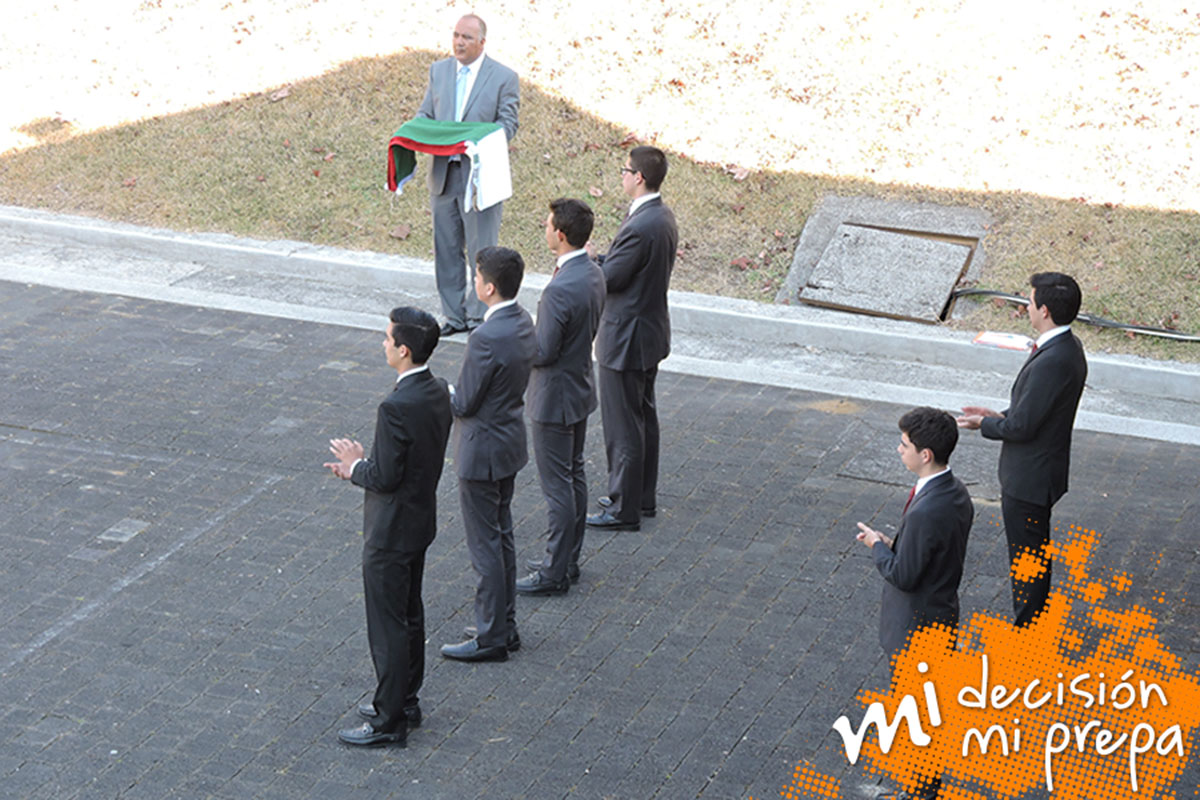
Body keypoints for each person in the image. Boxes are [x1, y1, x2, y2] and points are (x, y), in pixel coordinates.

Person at [323, 307, 452, 747]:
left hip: (390, 531)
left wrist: (355, 465)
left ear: (404, 349)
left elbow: (384, 477)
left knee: (388, 626)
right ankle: (405, 699)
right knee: (410, 614)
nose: (382, 344)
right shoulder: (437, 390)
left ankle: (388, 719)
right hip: (419, 522)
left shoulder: (395, 406)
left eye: (386, 338)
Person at [855, 407, 974, 800]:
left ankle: (921, 791)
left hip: (916, 629)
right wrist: (897, 546)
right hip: (940, 616)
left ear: (925, 454)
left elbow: (904, 576)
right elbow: (929, 555)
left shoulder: (927, 509)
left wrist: (877, 547)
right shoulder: (954, 492)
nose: (899, 450)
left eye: (905, 445)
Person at [957, 272, 1087, 628]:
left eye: (1029, 302)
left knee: (1028, 561)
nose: (1026, 307)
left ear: (1044, 310)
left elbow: (1023, 427)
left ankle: (1030, 633)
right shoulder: (1066, 348)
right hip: (1039, 473)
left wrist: (984, 424)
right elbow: (1034, 412)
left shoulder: (1052, 359)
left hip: (1029, 480)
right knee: (1032, 557)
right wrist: (999, 415)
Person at [442, 246, 536, 662]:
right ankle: (504, 623)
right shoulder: (523, 321)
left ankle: (490, 635)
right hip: (509, 442)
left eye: (477, 276)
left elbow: (464, 401)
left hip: (481, 450)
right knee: (503, 535)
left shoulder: (484, 338)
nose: (473, 282)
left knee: (485, 546)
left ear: (489, 287)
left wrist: (442, 391)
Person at [586, 146, 678, 532]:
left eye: (625, 170)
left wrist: (588, 263)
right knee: (643, 418)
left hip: (626, 337)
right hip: (649, 332)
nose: (622, 176)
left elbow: (612, 280)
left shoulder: (640, 225)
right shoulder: (662, 217)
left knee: (623, 424)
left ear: (638, 177)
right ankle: (642, 496)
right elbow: (630, 268)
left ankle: (623, 507)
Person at [517, 199, 606, 595]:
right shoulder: (592, 273)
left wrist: (516, 346)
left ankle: (554, 571)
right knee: (574, 475)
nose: (545, 226)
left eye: (549, 223)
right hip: (580, 387)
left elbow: (544, 350)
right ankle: (568, 560)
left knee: (557, 486)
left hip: (554, 397)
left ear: (562, 235)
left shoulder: (558, 291)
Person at [417, 14, 520, 338]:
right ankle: (454, 316)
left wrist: (477, 140)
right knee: (446, 248)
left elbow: (508, 124)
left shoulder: (504, 77)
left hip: (481, 177)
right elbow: (425, 114)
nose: (459, 42)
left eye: (467, 38)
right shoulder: (439, 72)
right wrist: (415, 132)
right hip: (444, 175)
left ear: (482, 43)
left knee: (482, 250)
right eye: (456, 35)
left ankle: (478, 319)